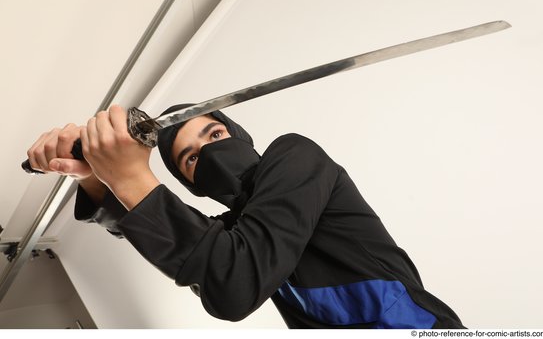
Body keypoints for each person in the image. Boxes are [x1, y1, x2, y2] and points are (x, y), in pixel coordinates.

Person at [27, 104, 465, 329]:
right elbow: (146, 226)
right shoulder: (230, 235)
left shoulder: (296, 155)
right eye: (191, 159)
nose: (211, 152)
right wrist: (94, 177)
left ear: (238, 135)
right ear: (192, 186)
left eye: (215, 134)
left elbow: (233, 283)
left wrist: (128, 175)